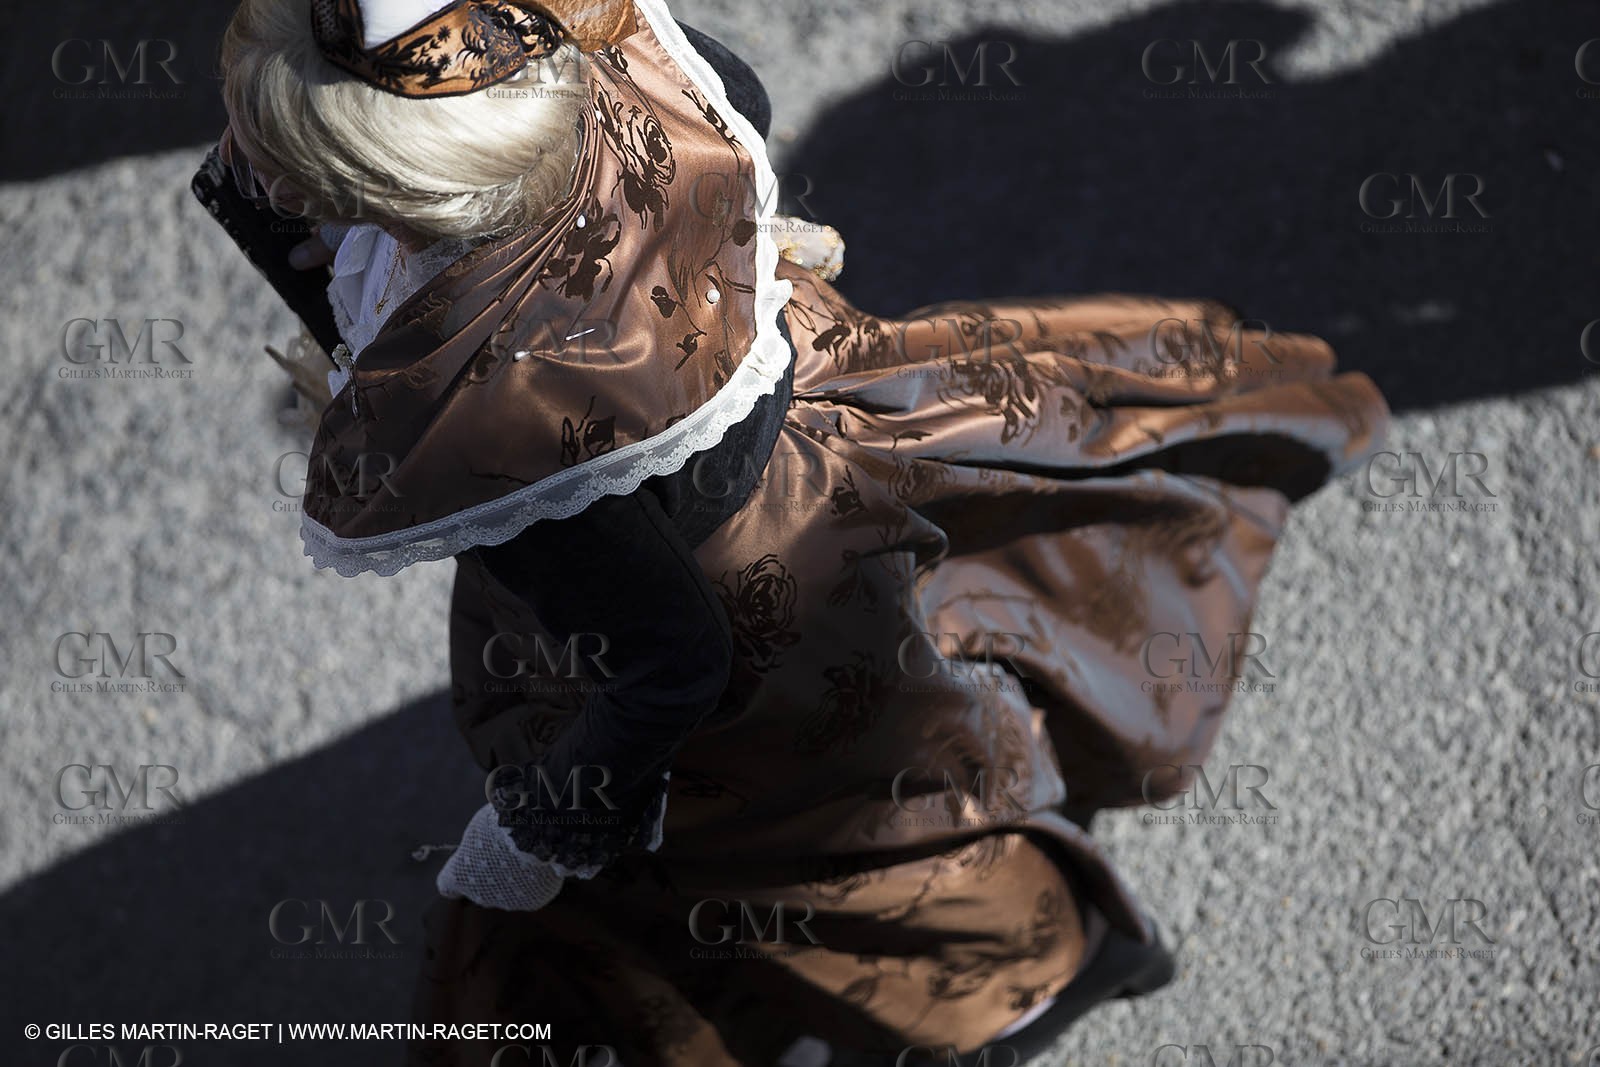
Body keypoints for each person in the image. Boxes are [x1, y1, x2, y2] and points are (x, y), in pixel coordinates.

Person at [210, 0, 1389, 1063]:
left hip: (729, 605)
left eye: (307, 168)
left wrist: (544, 821)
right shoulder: (587, 84)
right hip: (818, 418)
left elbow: (670, 661)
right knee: (959, 595)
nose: (270, 176)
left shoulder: (504, 424)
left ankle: (1030, 978)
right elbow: (742, 97)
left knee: (811, 846)